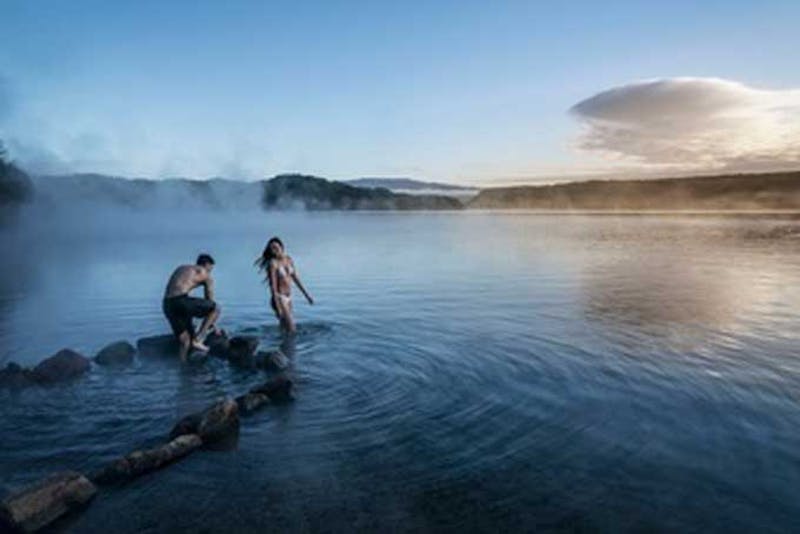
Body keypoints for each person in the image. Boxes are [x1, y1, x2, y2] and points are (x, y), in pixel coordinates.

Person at [162, 253, 221, 360]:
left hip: (167, 304)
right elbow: (210, 301)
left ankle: (182, 366)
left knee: (185, 340)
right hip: (181, 301)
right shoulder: (203, 272)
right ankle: (198, 340)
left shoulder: (182, 268)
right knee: (216, 308)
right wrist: (212, 324)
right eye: (210, 269)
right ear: (206, 264)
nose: (210, 272)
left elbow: (176, 288)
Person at [255, 237, 313, 332]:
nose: (274, 251)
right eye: (272, 249)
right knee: (292, 329)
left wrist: (307, 295)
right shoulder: (273, 264)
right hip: (279, 298)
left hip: (288, 298)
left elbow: (295, 278)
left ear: (281, 247)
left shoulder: (288, 259)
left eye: (276, 247)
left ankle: (281, 345)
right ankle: (288, 346)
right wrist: (277, 305)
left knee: (284, 329)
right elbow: (273, 287)